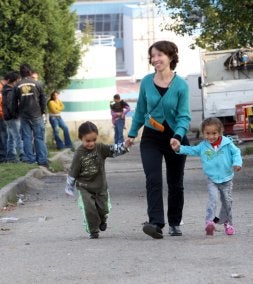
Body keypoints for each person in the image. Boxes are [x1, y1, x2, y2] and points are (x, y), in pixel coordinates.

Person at [125, 40, 191, 239]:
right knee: (153, 179)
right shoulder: (146, 82)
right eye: (152, 56)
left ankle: (174, 222)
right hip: (151, 137)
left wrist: (178, 136)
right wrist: (132, 133)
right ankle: (156, 223)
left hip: (175, 138)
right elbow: (141, 111)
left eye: (159, 55)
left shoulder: (181, 85)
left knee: (175, 182)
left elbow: (184, 116)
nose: (155, 60)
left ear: (170, 57)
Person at [171, 117, 242, 236]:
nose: (211, 136)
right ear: (203, 133)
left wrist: (237, 163)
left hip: (227, 178)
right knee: (212, 199)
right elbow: (191, 150)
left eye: (214, 133)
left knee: (227, 202)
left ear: (220, 132)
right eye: (207, 133)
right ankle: (209, 222)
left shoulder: (227, 143)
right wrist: (179, 148)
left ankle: (228, 223)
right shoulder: (203, 146)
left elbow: (236, 152)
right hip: (212, 179)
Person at [65, 121, 129, 239]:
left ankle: (102, 219)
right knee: (89, 208)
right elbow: (73, 170)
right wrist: (69, 187)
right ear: (81, 138)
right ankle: (93, 230)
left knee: (103, 209)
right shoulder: (79, 154)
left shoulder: (100, 148)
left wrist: (125, 145)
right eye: (88, 141)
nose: (91, 143)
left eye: (93, 140)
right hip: (84, 187)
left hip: (100, 186)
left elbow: (113, 149)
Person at [12, 63, 48, 166]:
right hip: (36, 114)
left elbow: (13, 102)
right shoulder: (37, 83)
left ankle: (30, 160)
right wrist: (42, 111)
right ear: (30, 72)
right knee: (39, 137)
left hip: (24, 116)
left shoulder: (17, 86)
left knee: (27, 138)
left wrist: (16, 113)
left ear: (20, 73)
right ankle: (42, 161)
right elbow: (43, 98)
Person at [2, 71, 28, 162]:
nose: (19, 82)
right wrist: (16, 115)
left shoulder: (6, 89)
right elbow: (11, 105)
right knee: (17, 136)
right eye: (18, 80)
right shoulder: (10, 91)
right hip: (12, 117)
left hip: (8, 117)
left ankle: (11, 156)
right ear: (14, 80)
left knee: (11, 137)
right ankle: (23, 156)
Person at [0, 78, 8, 163]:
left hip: (2, 115)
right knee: (3, 136)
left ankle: (3, 157)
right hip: (1, 116)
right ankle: (3, 157)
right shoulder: (1, 89)